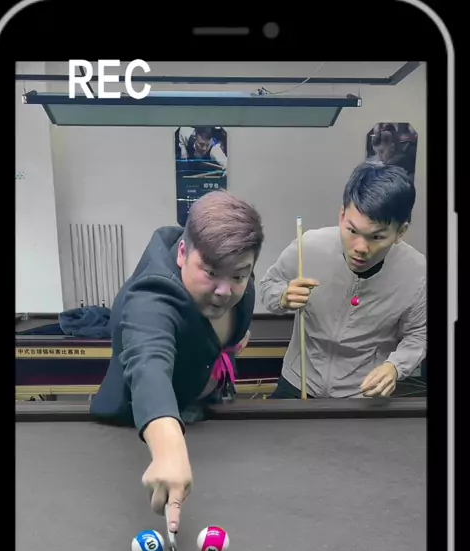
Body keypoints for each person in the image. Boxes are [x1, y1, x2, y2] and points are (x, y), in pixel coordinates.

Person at [90, 191, 264, 532]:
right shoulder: (150, 296)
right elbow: (149, 363)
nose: (224, 291)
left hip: (204, 409)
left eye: (239, 276)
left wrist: (228, 339)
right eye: (210, 272)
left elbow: (229, 304)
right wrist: (169, 451)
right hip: (135, 425)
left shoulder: (234, 274)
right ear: (183, 253)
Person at [259, 162, 426, 400]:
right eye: (352, 231)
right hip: (299, 381)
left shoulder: (416, 272)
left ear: (400, 232)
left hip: (363, 392)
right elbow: (268, 286)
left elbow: (419, 333)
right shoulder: (309, 246)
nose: (361, 248)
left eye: (376, 237)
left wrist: (395, 366)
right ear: (341, 216)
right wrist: (282, 297)